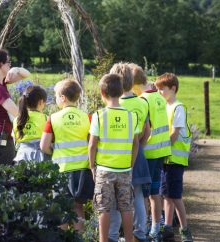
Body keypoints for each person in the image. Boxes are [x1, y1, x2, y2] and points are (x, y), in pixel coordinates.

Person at [88, 73, 139, 242]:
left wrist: (92, 166)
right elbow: (136, 143)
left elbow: (92, 145)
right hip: (125, 169)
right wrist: (130, 164)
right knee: (126, 207)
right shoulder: (132, 116)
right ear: (122, 90)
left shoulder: (98, 116)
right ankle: (130, 239)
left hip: (104, 169)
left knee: (104, 208)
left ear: (103, 93)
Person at [40, 79, 94, 232]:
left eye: (56, 96)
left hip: (62, 169)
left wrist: (54, 152)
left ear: (63, 97)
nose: (55, 99)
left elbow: (44, 146)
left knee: (62, 207)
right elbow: (92, 143)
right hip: (83, 169)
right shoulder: (87, 117)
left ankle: (62, 237)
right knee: (78, 207)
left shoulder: (53, 118)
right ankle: (80, 237)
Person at [108, 62, 151, 242]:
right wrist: (139, 145)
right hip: (138, 152)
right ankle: (140, 232)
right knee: (139, 194)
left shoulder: (116, 105)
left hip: (119, 155)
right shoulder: (142, 102)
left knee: (119, 197)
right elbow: (147, 130)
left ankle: (115, 233)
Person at [129, 63, 171, 241]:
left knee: (144, 194)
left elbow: (145, 128)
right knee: (156, 192)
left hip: (149, 152)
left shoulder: (143, 100)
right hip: (162, 150)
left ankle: (145, 228)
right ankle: (156, 227)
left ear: (133, 84)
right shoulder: (159, 97)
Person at [155, 73, 193, 242]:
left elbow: (174, 134)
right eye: (157, 89)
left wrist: (159, 147)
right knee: (166, 195)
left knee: (175, 196)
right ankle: (168, 228)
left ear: (173, 88)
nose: (159, 92)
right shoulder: (164, 107)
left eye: (162, 89)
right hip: (166, 159)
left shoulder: (178, 107)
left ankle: (185, 230)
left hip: (175, 160)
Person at [0, 49, 30, 167]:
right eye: (9, 62)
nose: (10, 64)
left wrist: (16, 70)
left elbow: (26, 74)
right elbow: (17, 113)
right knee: (1, 180)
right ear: (0, 64)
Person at [13, 85, 50, 163]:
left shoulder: (17, 119)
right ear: (40, 102)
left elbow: (15, 140)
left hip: (21, 157)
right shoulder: (46, 119)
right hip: (40, 158)